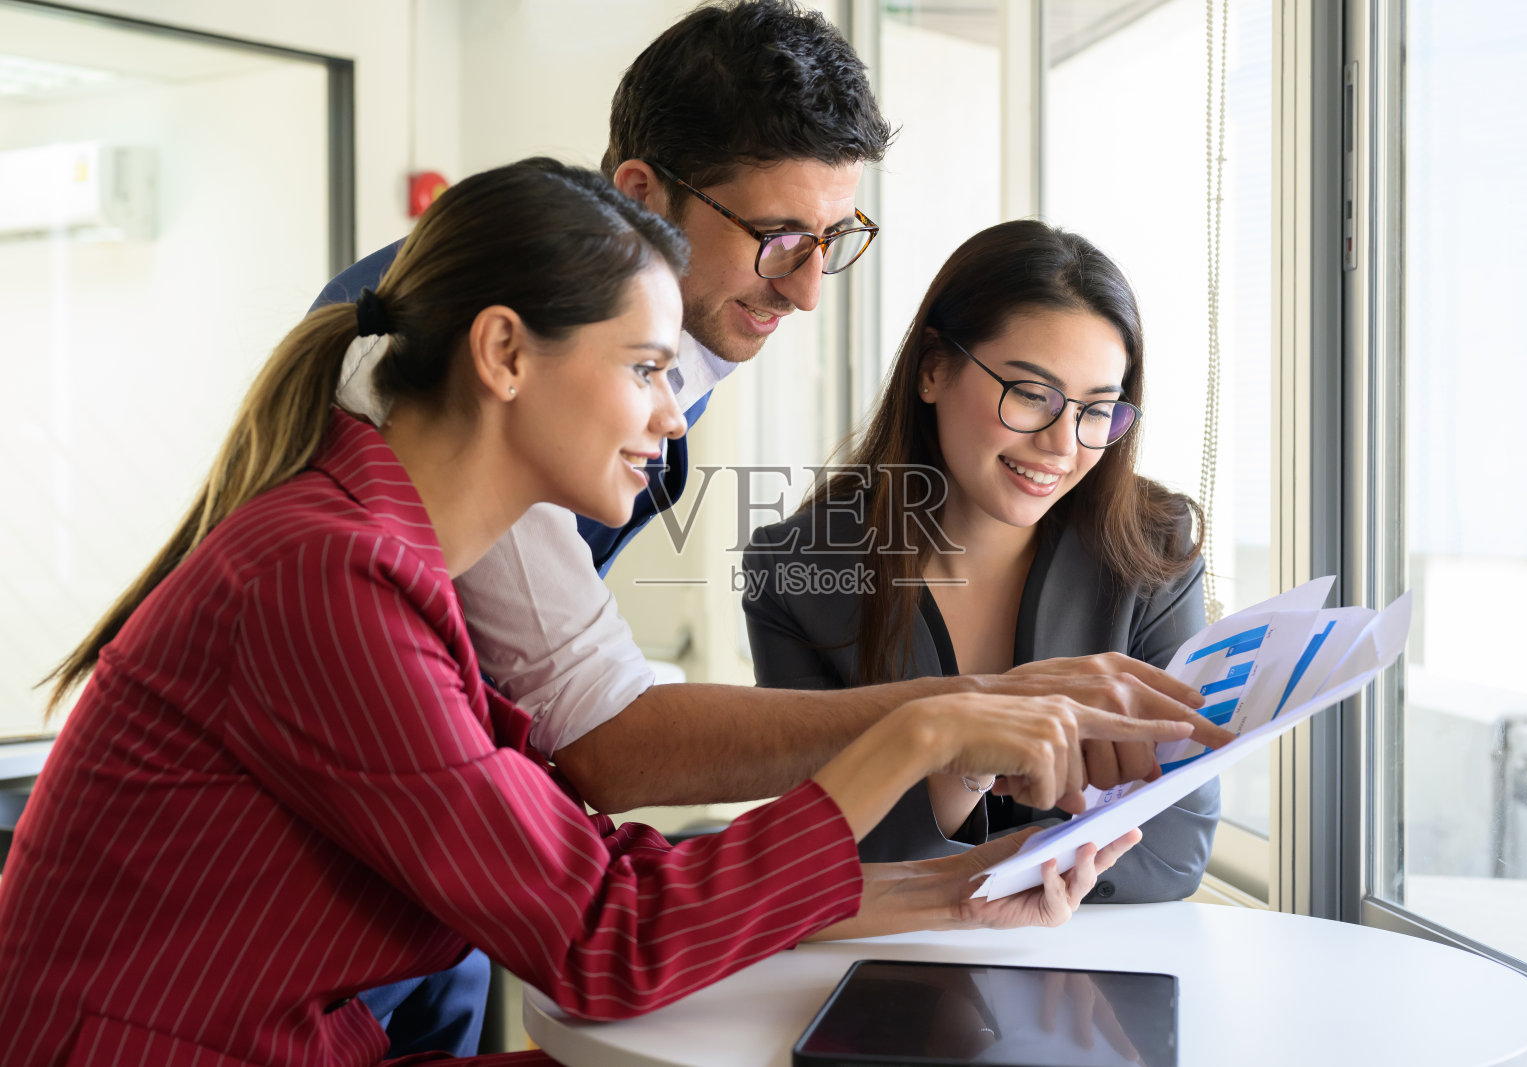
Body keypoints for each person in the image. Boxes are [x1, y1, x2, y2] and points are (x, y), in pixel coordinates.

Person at [0, 160, 1194, 1067]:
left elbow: (597, 874)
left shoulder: (378, 562)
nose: (673, 419)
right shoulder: (324, 577)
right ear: (506, 354)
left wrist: (955, 885)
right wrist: (928, 724)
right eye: (644, 368)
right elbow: (604, 938)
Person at [318, 1, 1228, 1052]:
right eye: (777, 238)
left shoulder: (654, 339)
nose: (805, 289)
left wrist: (956, 870)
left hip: (443, 867)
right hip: (322, 913)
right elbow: (598, 746)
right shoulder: (456, 400)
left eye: (832, 240)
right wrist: (949, 717)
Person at [741, 221, 1224, 901]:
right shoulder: (799, 574)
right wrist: (964, 756)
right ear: (934, 368)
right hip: (881, 973)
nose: (1063, 444)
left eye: (1098, 410)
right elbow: (827, 858)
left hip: (1091, 980)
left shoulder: (1153, 552)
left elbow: (1176, 852)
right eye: (1031, 393)